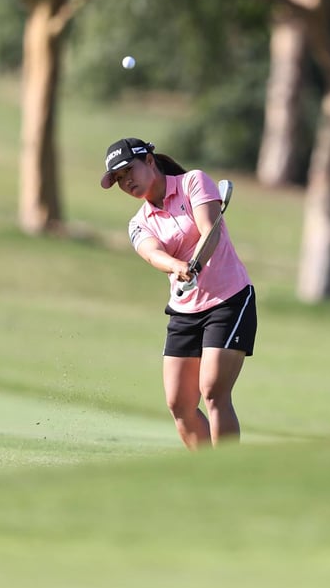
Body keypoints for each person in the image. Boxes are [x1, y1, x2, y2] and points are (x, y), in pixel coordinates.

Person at [100, 137, 256, 450]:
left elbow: (209, 229)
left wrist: (193, 263)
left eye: (129, 169)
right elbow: (151, 253)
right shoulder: (138, 223)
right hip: (184, 309)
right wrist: (176, 266)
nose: (126, 180)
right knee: (178, 404)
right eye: (118, 178)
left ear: (149, 161)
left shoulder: (193, 182)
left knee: (212, 391)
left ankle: (229, 473)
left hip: (229, 300)